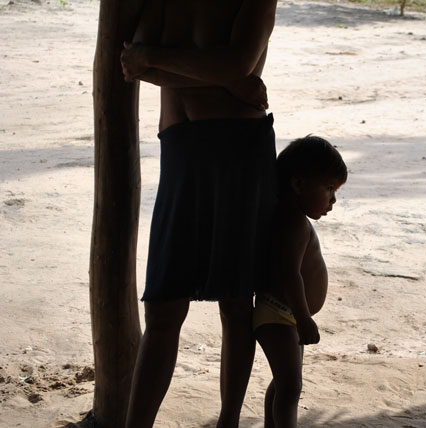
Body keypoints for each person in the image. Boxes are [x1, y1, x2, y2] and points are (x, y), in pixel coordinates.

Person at [119, 0, 278, 427]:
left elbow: (239, 61)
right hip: (183, 148)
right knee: (164, 305)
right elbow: (132, 62)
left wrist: (157, 58)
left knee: (236, 301)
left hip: (239, 148)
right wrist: (226, 80)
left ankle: (228, 421)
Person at [253, 136, 348, 428]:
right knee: (290, 385)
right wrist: (304, 317)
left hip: (286, 314)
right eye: (329, 188)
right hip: (281, 313)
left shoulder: (292, 218)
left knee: (284, 382)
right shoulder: (293, 222)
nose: (333, 199)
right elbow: (289, 273)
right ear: (298, 184)